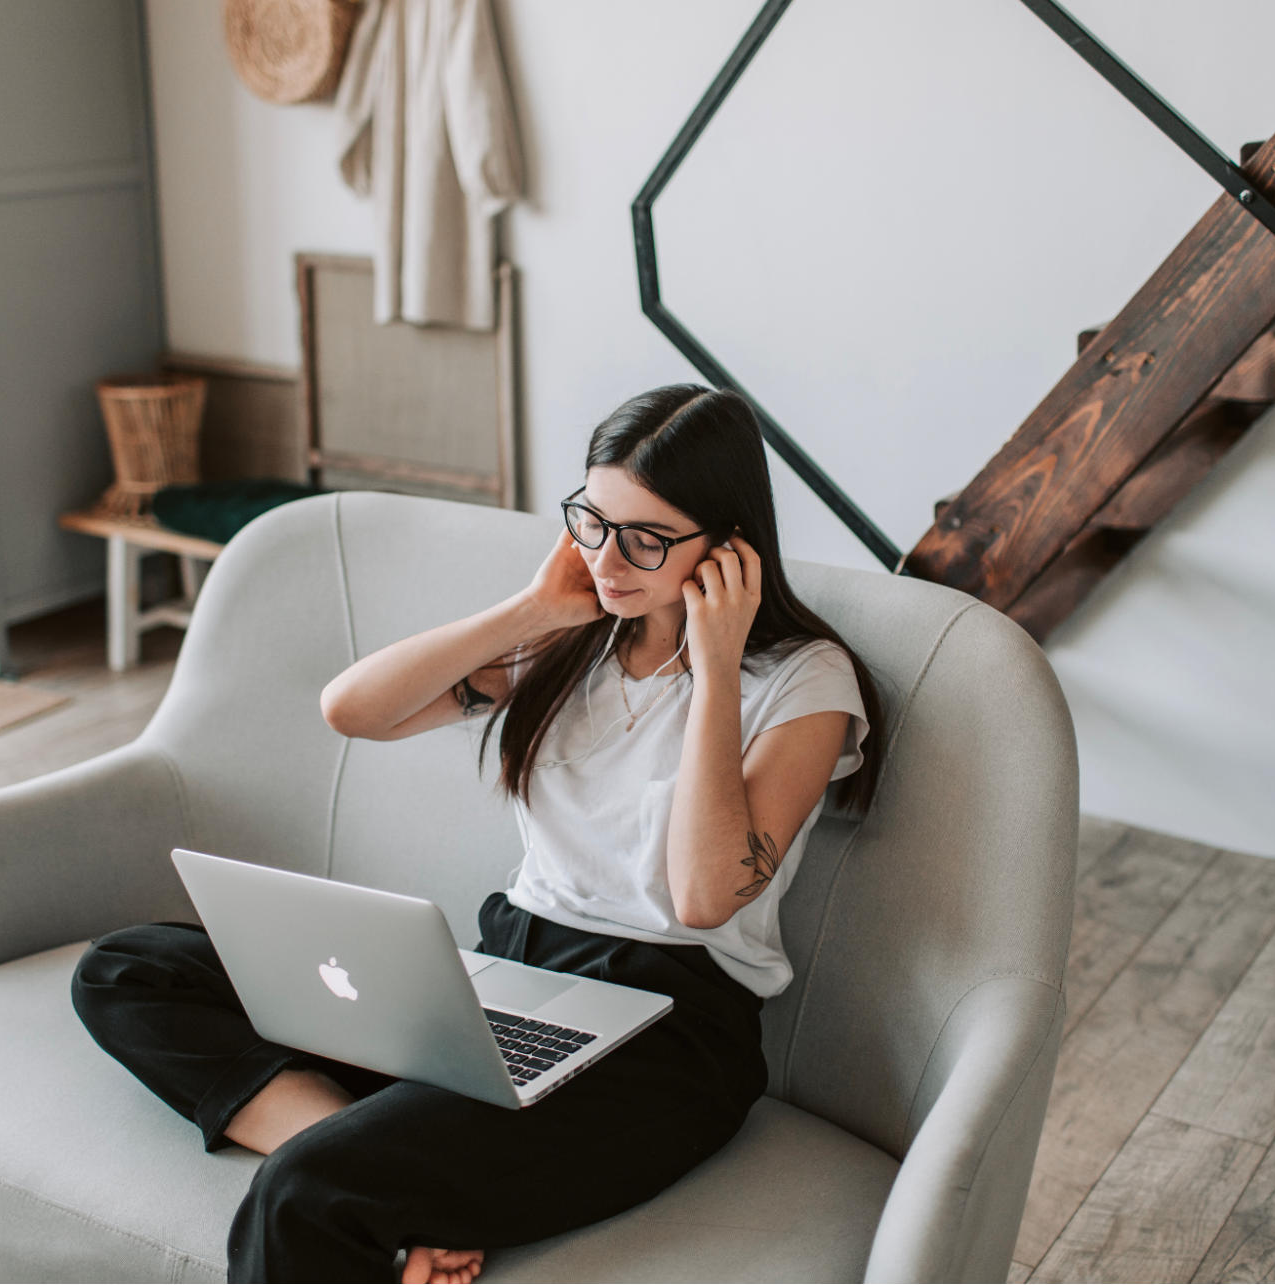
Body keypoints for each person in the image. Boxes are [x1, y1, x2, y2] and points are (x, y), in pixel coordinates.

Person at [72, 385, 884, 1283]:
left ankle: (353, 1172)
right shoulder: (575, 640)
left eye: (645, 539)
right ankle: (359, 1160)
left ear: (728, 547)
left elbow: (700, 896)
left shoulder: (804, 681)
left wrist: (716, 659)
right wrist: (532, 610)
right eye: (591, 519)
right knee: (126, 967)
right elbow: (353, 710)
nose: (607, 559)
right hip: (504, 980)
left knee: (304, 1193)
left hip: (667, 1036)